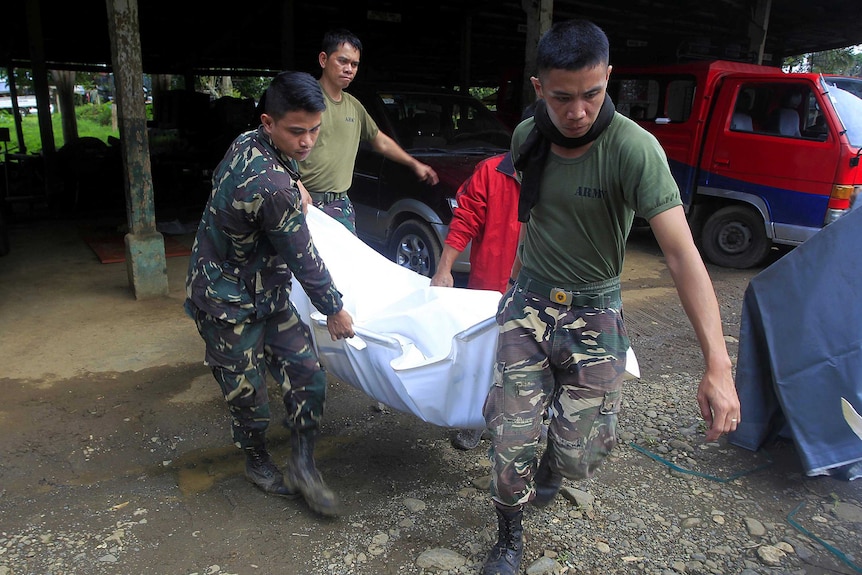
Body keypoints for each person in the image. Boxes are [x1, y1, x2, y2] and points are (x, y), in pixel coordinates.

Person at [480, 20, 741, 575]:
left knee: (582, 454)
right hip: (527, 307)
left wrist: (717, 364)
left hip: (596, 313)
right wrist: (510, 296)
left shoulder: (635, 151)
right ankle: (508, 535)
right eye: (562, 97)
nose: (577, 110)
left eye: (592, 94)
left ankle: (555, 461)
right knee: (510, 436)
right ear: (538, 88)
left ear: (608, 80)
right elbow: (532, 221)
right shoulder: (526, 136)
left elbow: (681, 255)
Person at [184, 70, 355, 518]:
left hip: (267, 290)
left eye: (315, 129)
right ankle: (257, 460)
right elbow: (304, 257)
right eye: (297, 132)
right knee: (248, 396)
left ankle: (302, 463)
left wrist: (294, 180)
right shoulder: (271, 187)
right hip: (225, 299)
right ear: (268, 122)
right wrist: (334, 309)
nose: (307, 142)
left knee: (307, 374)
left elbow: (278, 182)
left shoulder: (252, 143)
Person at [297, 28, 439, 233]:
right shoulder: (303, 101)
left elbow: (379, 140)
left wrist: (414, 164)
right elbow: (274, 148)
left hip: (340, 206)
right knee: (302, 265)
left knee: (343, 264)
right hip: (304, 203)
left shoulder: (354, 106)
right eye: (342, 61)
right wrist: (296, 184)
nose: (349, 69)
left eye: (354, 64)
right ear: (323, 59)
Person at [430, 151, 520, 450]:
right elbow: (465, 218)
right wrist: (444, 269)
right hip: (490, 284)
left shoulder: (561, 171)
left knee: (531, 355)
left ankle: (525, 419)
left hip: (538, 286)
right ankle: (475, 419)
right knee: (484, 355)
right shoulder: (492, 171)